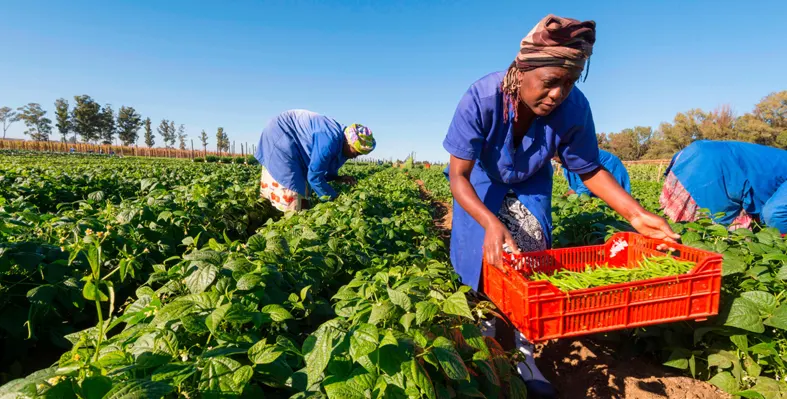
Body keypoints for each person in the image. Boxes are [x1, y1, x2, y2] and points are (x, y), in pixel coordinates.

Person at [442, 14, 679, 398]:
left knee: (531, 255)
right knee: (481, 257)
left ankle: (524, 354)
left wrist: (636, 214)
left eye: (568, 83)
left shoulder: (573, 108)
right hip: (480, 179)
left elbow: (588, 171)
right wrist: (488, 222)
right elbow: (458, 177)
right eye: (551, 82)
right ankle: (485, 336)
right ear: (522, 72)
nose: (558, 94)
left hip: (532, 179)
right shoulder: (482, 98)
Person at [253, 109, 376, 212]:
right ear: (348, 142)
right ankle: (288, 222)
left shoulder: (341, 142)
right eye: (355, 152)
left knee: (303, 191)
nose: (355, 156)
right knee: (294, 194)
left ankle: (276, 214)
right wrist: (335, 199)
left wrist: (337, 178)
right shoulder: (329, 140)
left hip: (291, 141)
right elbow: (315, 177)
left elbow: (321, 169)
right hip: (281, 137)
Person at [660, 140, 787, 234]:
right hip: (714, 167)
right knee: (722, 232)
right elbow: (774, 212)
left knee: (694, 231)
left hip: (691, 155)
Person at [556, 149, 631, 197]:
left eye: (554, 156)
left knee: (615, 193)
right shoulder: (566, 164)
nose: (553, 159)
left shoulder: (579, 158)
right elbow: (574, 186)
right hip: (594, 163)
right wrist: (565, 197)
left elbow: (585, 186)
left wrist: (576, 198)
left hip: (610, 164)